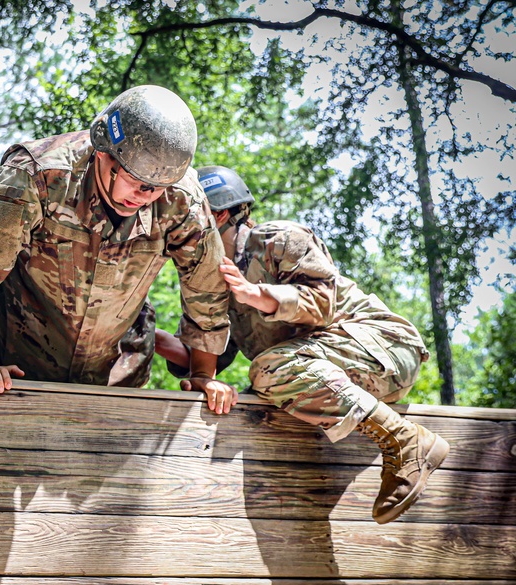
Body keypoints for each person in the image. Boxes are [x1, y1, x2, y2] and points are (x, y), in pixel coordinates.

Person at [161, 165, 450, 524]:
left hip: (383, 346)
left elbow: (322, 302)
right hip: (330, 369)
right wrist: (145, 336)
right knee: (260, 389)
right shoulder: (211, 279)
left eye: (192, 222)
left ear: (218, 215)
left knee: (268, 370)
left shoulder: (277, 239)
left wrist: (257, 294)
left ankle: (406, 441)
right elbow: (207, 352)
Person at [0, 85, 236, 415]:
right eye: (136, 182)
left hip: (117, 375)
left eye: (156, 188)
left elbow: (207, 293)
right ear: (104, 154)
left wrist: (204, 374)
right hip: (14, 368)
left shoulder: (182, 201)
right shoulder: (35, 177)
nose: (145, 196)